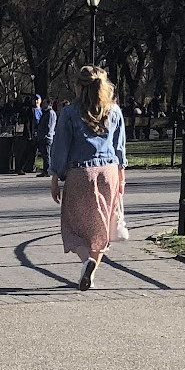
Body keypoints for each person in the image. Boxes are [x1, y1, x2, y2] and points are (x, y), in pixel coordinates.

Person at [50, 65, 127, 291]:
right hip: (109, 172)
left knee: (72, 225)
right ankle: (90, 274)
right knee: (101, 226)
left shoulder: (70, 113)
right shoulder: (114, 111)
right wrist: (121, 177)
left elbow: (60, 147)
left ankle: (87, 261)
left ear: (78, 86)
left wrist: (55, 176)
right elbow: (120, 147)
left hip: (81, 173)